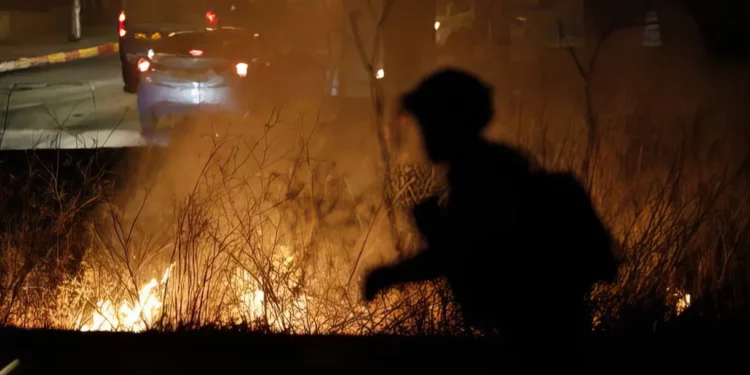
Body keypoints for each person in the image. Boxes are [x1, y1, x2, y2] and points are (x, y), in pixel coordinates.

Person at [362, 68, 619, 372]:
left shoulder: (482, 174)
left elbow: (465, 251)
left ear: (450, 123)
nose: (424, 133)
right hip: (538, 333)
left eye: (429, 122)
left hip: (539, 339)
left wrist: (390, 275)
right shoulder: (486, 168)